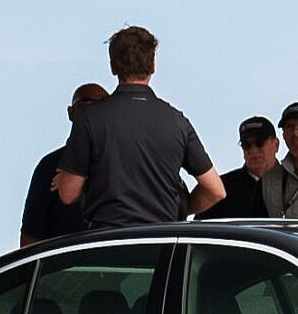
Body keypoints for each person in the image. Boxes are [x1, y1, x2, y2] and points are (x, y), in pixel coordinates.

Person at [56, 26, 224, 228]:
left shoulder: (89, 118)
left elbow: (67, 194)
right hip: (161, 245)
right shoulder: (177, 121)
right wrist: (178, 210)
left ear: (112, 66)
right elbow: (215, 191)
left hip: (106, 245)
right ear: (152, 65)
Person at [21, 83, 109, 245]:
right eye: (88, 103)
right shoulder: (49, 166)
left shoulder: (119, 163)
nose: (95, 112)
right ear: (71, 112)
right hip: (63, 266)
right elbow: (31, 235)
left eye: (103, 106)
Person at [199, 116, 277, 220]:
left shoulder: (293, 181)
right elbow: (202, 230)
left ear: (276, 145)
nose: (253, 150)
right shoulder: (221, 188)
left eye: (260, 142)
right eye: (246, 145)